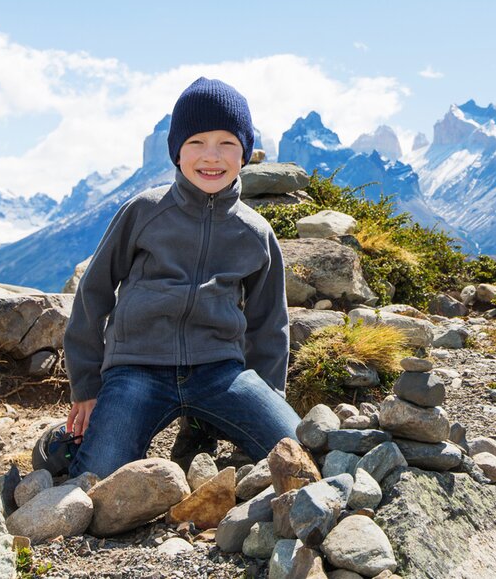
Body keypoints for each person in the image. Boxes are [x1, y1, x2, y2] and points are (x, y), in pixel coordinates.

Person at [36, 77, 300, 479]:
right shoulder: (144, 211)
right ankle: (62, 443)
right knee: (97, 477)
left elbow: (269, 325)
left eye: (227, 142)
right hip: (136, 369)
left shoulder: (255, 232)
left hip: (220, 373)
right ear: (177, 151)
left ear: (244, 152)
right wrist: (87, 387)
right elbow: (94, 294)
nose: (211, 157)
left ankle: (200, 423)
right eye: (196, 143)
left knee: (298, 452)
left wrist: (268, 399)